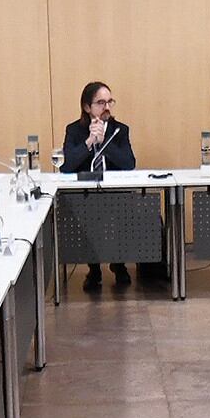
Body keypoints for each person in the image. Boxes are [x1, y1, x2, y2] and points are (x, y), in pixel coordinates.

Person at [58, 81, 137, 290]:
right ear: (87, 107)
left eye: (110, 101)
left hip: (115, 195)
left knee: (122, 212)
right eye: (101, 102)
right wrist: (89, 142)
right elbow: (65, 166)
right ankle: (94, 270)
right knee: (87, 215)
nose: (107, 107)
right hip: (85, 196)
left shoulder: (120, 130)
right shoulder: (74, 130)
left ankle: (119, 265)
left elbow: (129, 164)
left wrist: (104, 144)